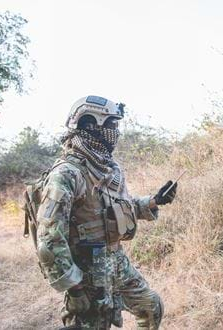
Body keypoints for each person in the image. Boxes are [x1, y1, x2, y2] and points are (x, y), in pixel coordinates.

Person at [35, 95, 177, 329]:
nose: (116, 131)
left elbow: (117, 208)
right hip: (87, 271)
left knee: (150, 307)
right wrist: (74, 286)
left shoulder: (106, 167)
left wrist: (154, 202)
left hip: (115, 259)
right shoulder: (67, 173)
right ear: (91, 125)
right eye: (111, 125)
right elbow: (49, 238)